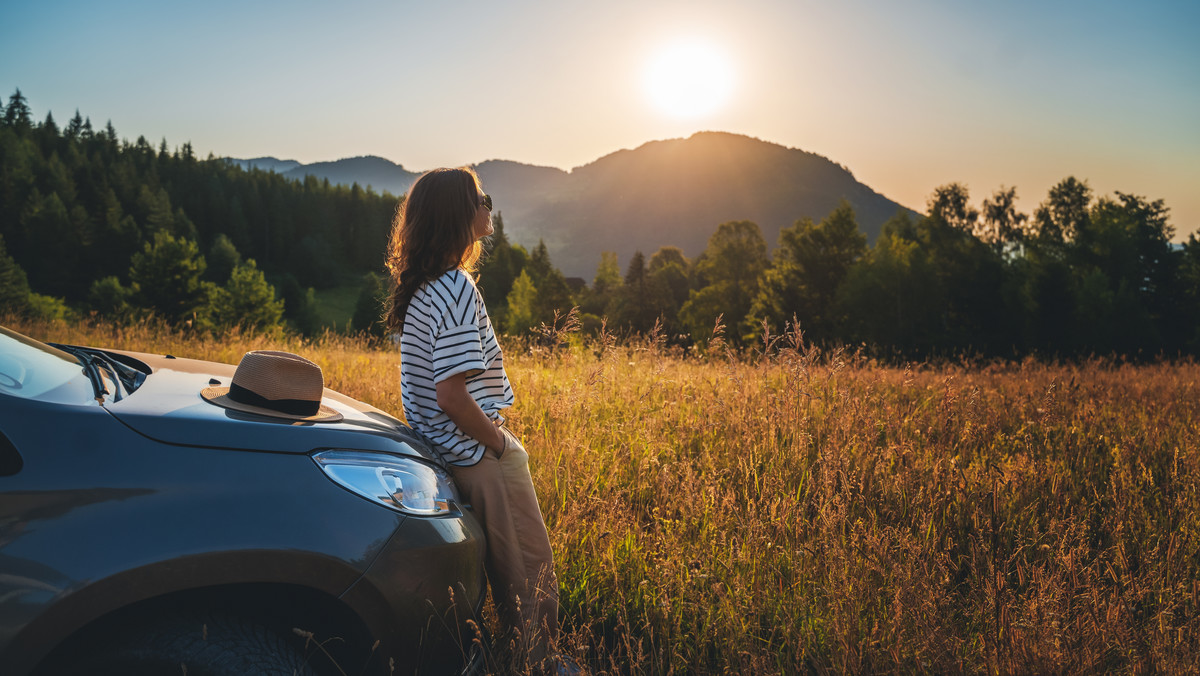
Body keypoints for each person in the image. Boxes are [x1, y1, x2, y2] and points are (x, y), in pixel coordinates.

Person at [383, 167, 563, 671]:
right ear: (460, 214)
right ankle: (542, 664)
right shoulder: (456, 287)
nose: (489, 206)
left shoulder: (425, 286)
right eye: (481, 197)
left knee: (501, 566)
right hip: (474, 450)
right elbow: (451, 395)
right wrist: (500, 444)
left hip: (443, 448)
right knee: (529, 568)